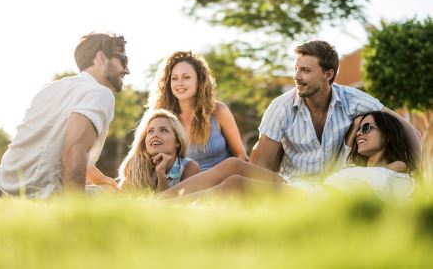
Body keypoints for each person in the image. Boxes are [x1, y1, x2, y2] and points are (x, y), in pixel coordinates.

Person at [250, 40, 421, 181]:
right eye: (296, 69)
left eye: (305, 71)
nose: (297, 77)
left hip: (337, 195)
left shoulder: (352, 100)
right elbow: (262, 166)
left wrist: (419, 176)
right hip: (295, 191)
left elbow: (410, 131)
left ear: (328, 74)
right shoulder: (280, 108)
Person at [160, 111, 417, 201]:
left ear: (389, 135)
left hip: (317, 200)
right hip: (306, 190)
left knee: (234, 184)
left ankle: (169, 212)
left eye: (367, 128)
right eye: (357, 129)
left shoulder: (398, 175)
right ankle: (158, 202)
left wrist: (399, 161)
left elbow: (402, 176)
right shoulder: (354, 167)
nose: (359, 133)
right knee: (233, 165)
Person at [0, 32, 130, 198]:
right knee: (111, 193)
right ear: (101, 57)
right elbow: (73, 151)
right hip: (36, 198)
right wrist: (74, 210)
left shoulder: (52, 88)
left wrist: (99, 178)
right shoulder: (100, 93)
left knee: (104, 185)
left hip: (0, 188)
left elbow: (51, 147)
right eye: (124, 59)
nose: (127, 70)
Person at [147, 51, 247, 171]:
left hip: (224, 180)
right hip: (186, 185)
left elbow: (241, 155)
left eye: (186, 77)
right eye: (174, 78)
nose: (179, 83)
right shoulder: (163, 119)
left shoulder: (218, 111)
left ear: (199, 81)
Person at [117, 109, 200, 192]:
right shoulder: (136, 167)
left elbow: (169, 203)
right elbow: (120, 201)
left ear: (177, 141)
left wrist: (161, 173)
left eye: (163, 130)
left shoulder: (189, 167)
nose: (155, 135)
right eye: (150, 131)